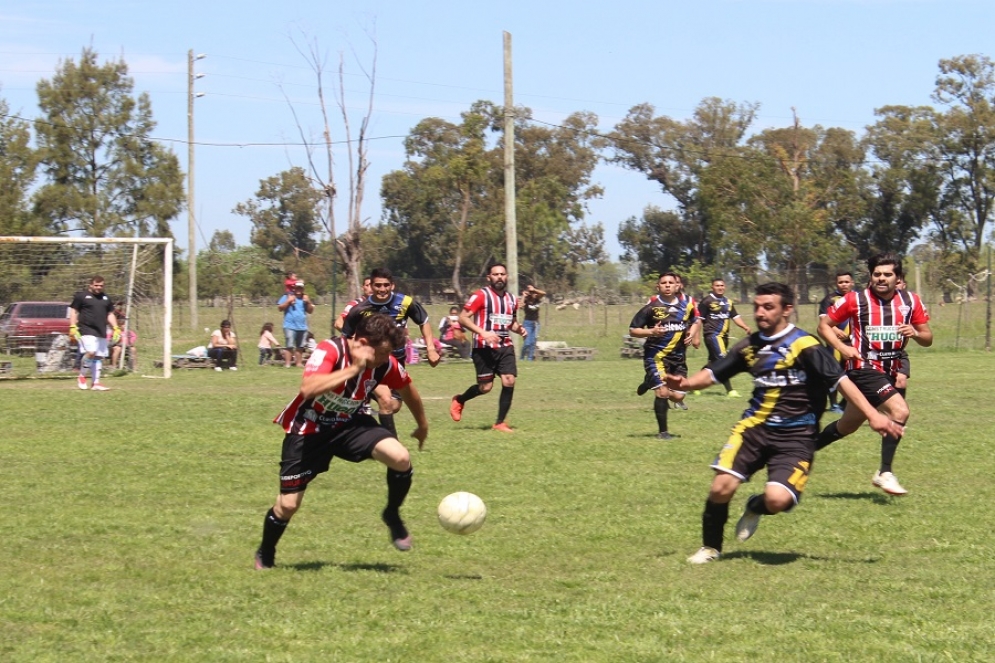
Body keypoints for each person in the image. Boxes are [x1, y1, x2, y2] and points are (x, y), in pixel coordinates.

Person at [669, 282, 906, 564]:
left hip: (797, 438)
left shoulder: (805, 345)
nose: (760, 313)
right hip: (754, 429)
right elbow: (713, 374)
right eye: (757, 307)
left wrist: (874, 415)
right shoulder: (750, 346)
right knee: (721, 486)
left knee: (777, 500)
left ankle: (755, 505)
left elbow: (840, 381)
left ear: (787, 310)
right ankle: (710, 547)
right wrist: (683, 384)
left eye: (768, 307)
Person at [254, 313, 429, 570]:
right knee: (288, 505)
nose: (383, 360)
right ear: (360, 341)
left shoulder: (383, 363)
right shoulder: (330, 350)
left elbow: (407, 389)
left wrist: (422, 425)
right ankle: (266, 551)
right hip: (309, 429)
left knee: (400, 458)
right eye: (380, 353)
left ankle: (391, 513)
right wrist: (354, 369)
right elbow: (309, 388)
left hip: (350, 424)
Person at [816, 253, 933, 495]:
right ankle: (885, 473)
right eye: (877, 274)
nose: (881, 278)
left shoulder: (910, 301)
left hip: (889, 371)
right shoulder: (855, 300)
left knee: (846, 427)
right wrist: (842, 348)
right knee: (900, 410)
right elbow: (823, 326)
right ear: (870, 277)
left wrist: (915, 332)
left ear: (898, 277)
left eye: (887, 274)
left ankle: (801, 451)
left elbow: (927, 338)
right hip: (863, 368)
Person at [341, 268, 441, 436]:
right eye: (377, 285)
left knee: (394, 405)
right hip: (372, 364)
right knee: (386, 401)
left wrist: (430, 348)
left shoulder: (405, 303)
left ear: (392, 285)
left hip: (395, 364)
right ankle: (392, 452)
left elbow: (423, 321)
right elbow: (346, 336)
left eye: (386, 285)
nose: (382, 289)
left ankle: (360, 409)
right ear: (370, 286)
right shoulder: (360, 309)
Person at [449, 262, 528, 433]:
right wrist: (483, 332)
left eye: (502, 274)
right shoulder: (480, 296)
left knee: (509, 380)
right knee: (485, 387)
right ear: (489, 277)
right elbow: (463, 318)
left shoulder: (512, 300)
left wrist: (519, 329)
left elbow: (510, 322)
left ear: (507, 277)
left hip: (505, 346)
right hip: (483, 347)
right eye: (495, 274)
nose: (499, 277)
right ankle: (460, 400)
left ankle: (500, 423)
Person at [628, 272, 698, 439]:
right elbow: (632, 330)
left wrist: (692, 333)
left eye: (670, 282)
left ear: (677, 286)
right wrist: (651, 331)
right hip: (656, 357)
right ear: (658, 287)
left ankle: (648, 381)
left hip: (678, 358)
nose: (667, 285)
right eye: (663, 283)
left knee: (678, 396)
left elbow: (696, 320)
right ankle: (663, 433)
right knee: (662, 392)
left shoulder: (686, 306)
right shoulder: (651, 307)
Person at [696, 278, 751, 398]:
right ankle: (730, 390)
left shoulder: (728, 302)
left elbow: (735, 317)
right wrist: (696, 337)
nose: (720, 287)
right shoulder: (706, 301)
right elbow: (699, 320)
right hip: (712, 336)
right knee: (723, 361)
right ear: (712, 287)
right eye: (717, 285)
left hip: (724, 337)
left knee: (713, 363)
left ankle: (695, 384)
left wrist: (745, 327)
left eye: (722, 285)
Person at [69, 275, 120, 391]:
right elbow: (74, 311)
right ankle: (82, 376)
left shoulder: (106, 298)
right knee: (91, 352)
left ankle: (95, 383)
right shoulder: (81, 296)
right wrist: (72, 326)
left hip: (101, 330)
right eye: (96, 285)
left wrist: (116, 327)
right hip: (86, 329)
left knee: (98, 356)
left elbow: (110, 314)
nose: (98, 288)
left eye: (101, 286)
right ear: (91, 285)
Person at [818, 271, 855, 413]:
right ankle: (834, 404)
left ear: (852, 282)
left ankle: (845, 404)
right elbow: (823, 321)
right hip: (835, 343)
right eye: (841, 282)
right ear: (836, 283)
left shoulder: (858, 298)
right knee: (834, 373)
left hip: (853, 343)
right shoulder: (829, 299)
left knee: (854, 374)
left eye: (846, 282)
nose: (844, 284)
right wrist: (834, 330)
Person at [277, 280, 314, 368]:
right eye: (297, 287)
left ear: (303, 288)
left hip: (302, 326)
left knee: (300, 346)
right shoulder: (287, 296)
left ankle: (299, 363)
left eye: (300, 287)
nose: (299, 289)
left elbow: (310, 311)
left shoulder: (305, 298)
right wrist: (288, 301)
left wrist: (308, 302)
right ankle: (287, 364)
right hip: (289, 325)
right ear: (294, 288)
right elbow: (279, 308)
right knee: (289, 345)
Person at [519, 284, 547, 361]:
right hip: (527, 323)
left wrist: (534, 290)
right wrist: (523, 296)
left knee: (533, 342)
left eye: (535, 292)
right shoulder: (526, 299)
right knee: (527, 343)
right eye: (531, 292)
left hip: (536, 323)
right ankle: (521, 357)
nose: (534, 294)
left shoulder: (537, 298)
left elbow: (543, 293)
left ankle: (530, 359)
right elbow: (520, 306)